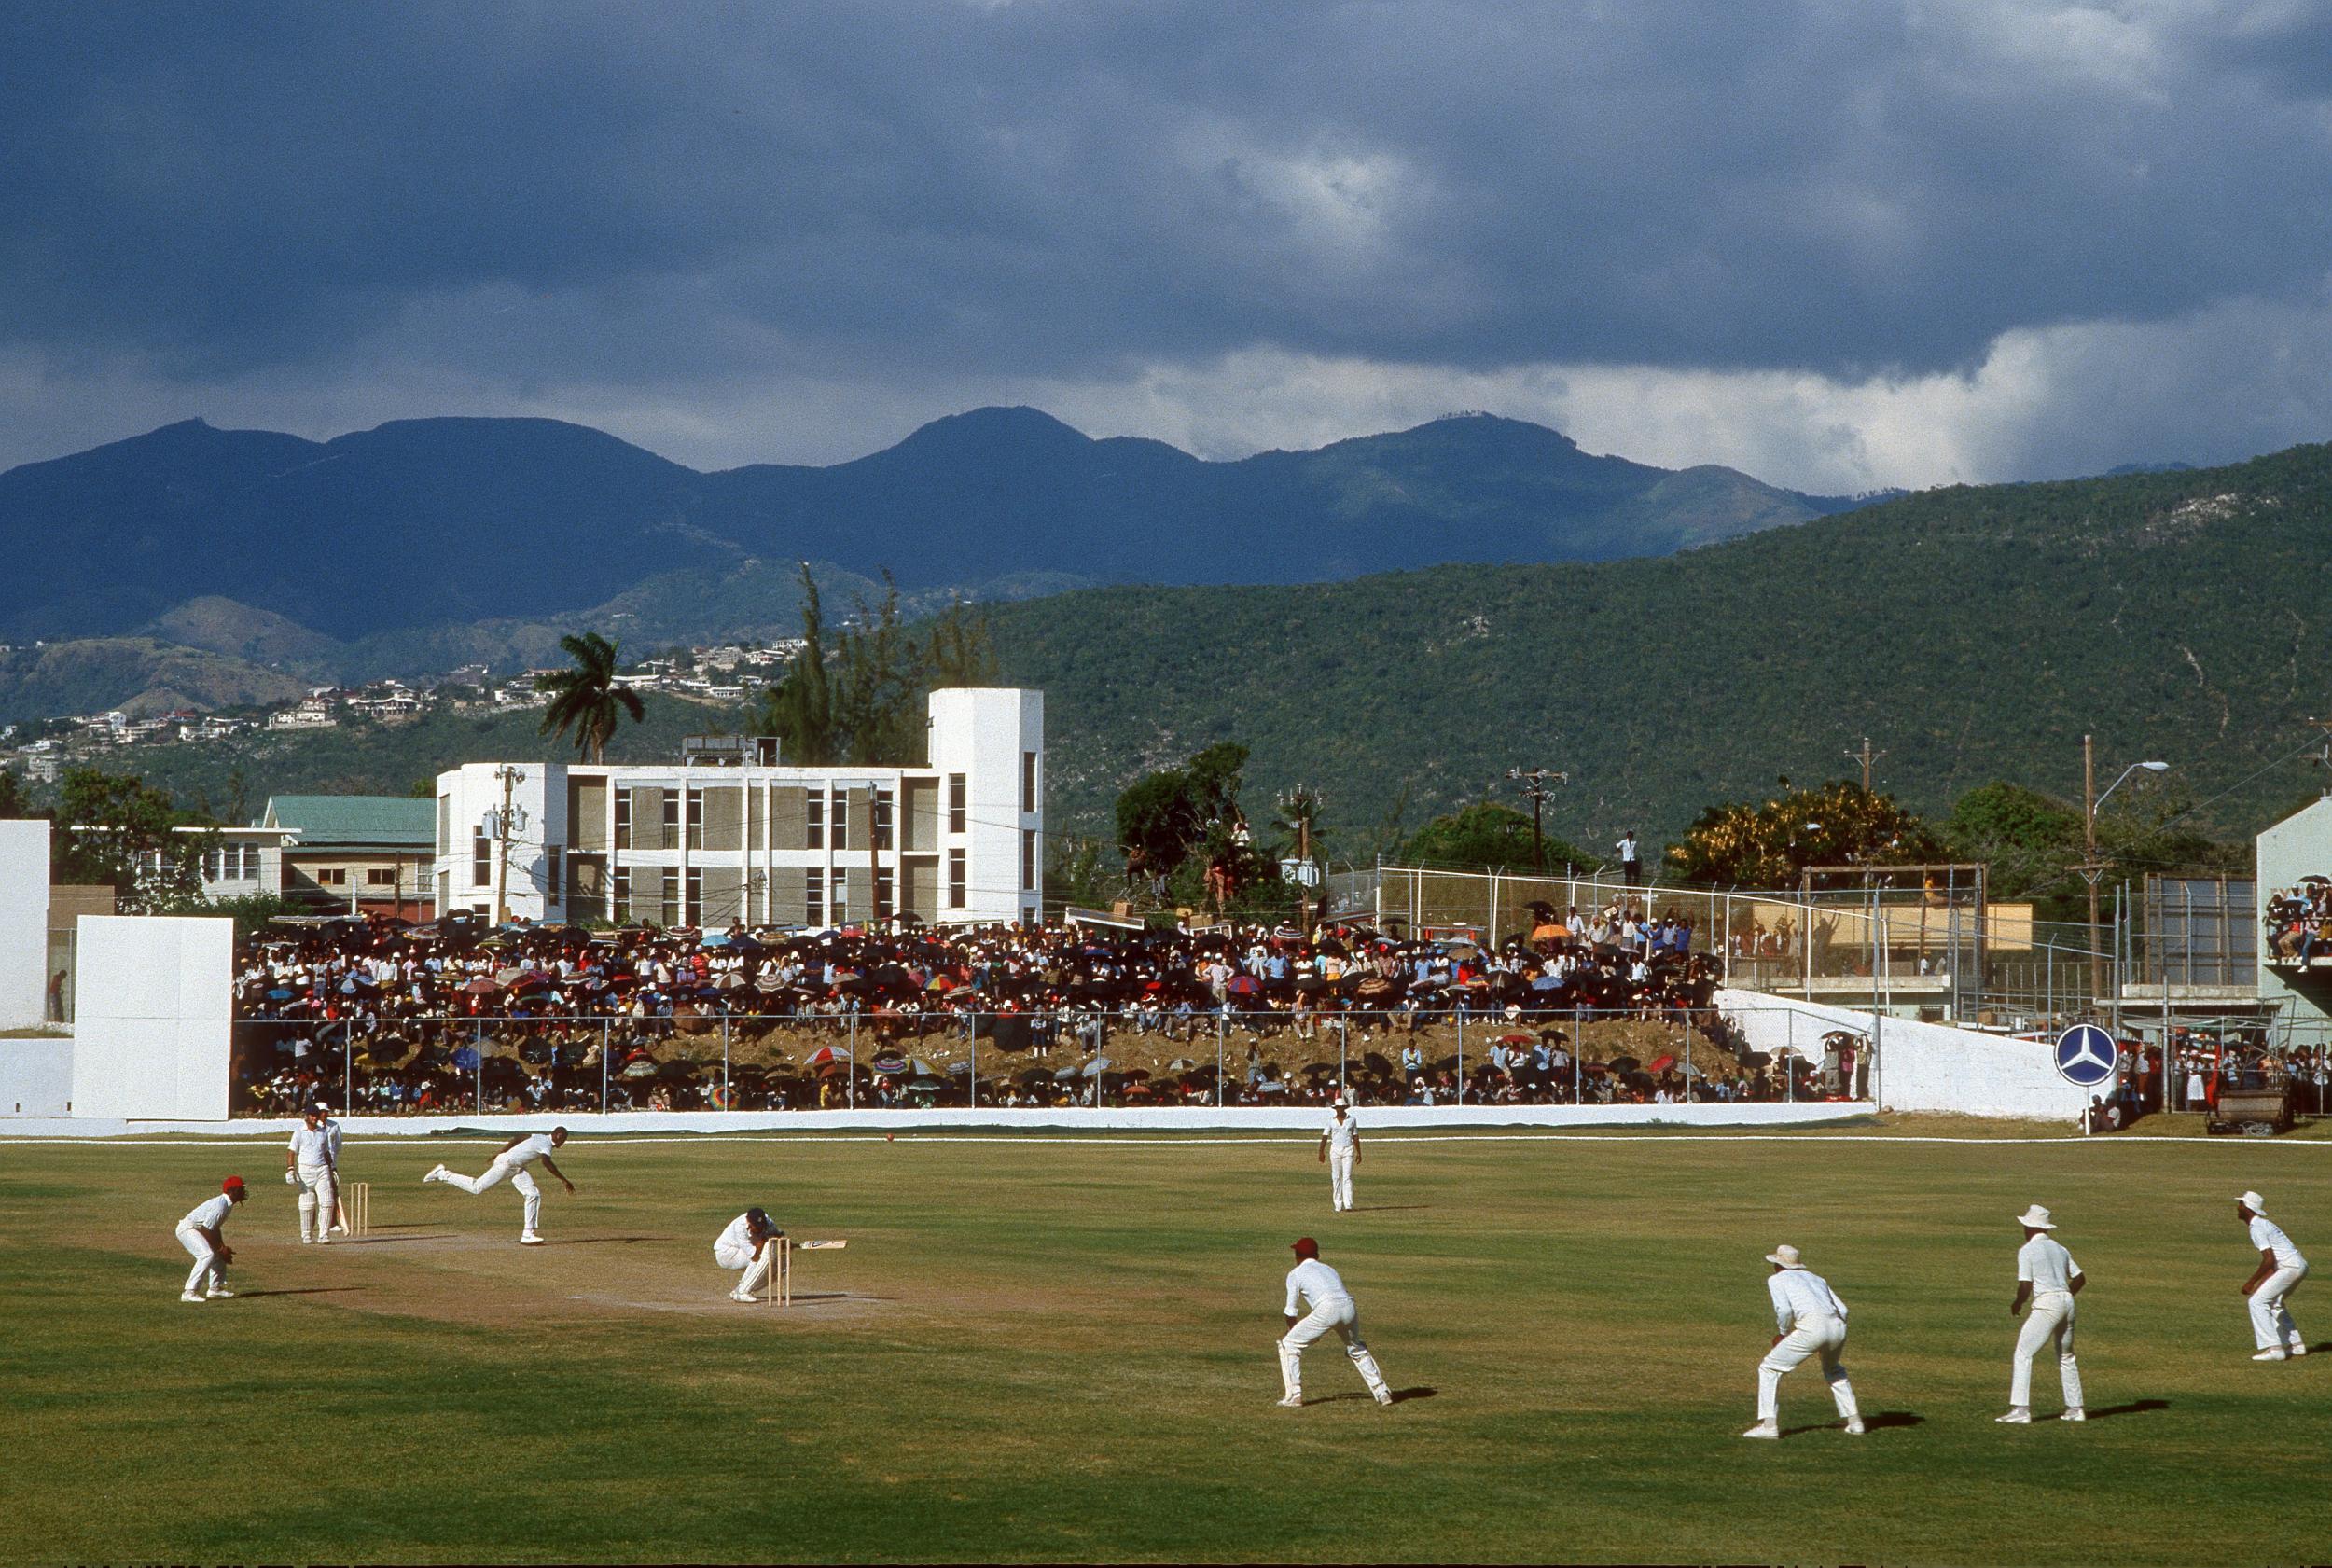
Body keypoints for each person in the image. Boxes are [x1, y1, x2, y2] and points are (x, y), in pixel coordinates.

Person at [1742, 1243, 1863, 1438]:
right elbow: (1844, 1310)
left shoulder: (1776, 1279)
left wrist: (1782, 1333)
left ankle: (1769, 1426)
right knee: (1834, 1370)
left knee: (1769, 1368)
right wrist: (1829, 1333)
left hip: (1812, 1328)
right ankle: (1856, 1422)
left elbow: (1784, 1310)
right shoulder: (1817, 1278)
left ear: (1778, 1265)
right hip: (1838, 1327)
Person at [1276, 1238, 1392, 1408]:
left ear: (1297, 1256)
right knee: (1356, 1348)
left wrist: (1292, 1331)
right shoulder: (1330, 1269)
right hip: (1348, 1306)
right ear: (1317, 1255)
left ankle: (1294, 1396)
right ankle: (1382, 1392)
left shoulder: (1296, 1273)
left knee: (1288, 1345)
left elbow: (1291, 1311)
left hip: (1327, 1308)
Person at [2001, 1204, 2085, 1423]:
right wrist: (2064, 1296)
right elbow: (2079, 1278)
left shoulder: (2027, 1250)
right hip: (2067, 1301)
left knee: (2023, 1353)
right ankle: (2076, 1409)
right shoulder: (2060, 1248)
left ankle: (2021, 1410)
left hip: (2047, 1304)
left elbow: (2025, 1287)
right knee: (2066, 1356)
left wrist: (2017, 1303)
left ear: (2029, 1228)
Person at [423, 1126, 576, 1243]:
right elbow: (546, 1162)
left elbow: (519, 1138)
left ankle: (527, 1233)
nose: (563, 1143)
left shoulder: (540, 1136)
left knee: (533, 1194)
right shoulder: (546, 1145)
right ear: (559, 1136)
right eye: (564, 1139)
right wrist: (564, 1180)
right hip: (507, 1165)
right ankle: (442, 1174)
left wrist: (500, 1152)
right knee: (476, 1187)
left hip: (515, 1167)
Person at [2236, 1190, 2309, 1361]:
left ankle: (2274, 1349)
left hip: (2289, 1267)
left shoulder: (2257, 1227)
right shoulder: (2263, 1224)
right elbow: (2272, 1264)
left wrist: (2250, 1283)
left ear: (2247, 1208)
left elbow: (2268, 1259)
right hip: (2298, 1265)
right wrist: (2261, 1284)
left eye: (2240, 1204)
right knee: (2275, 1303)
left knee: (2257, 1302)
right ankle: (2296, 1346)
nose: (2237, 1208)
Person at [175, 1176, 247, 1302]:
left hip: (198, 1229)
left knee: (217, 1254)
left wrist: (222, 1248)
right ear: (232, 1191)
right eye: (241, 1189)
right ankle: (189, 1292)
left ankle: (215, 1289)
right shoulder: (221, 1205)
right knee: (207, 1254)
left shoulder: (227, 1204)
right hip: (188, 1229)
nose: (243, 1192)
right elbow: (206, 1229)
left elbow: (214, 1228)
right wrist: (220, 1248)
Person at [284, 1103, 338, 1244]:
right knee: (307, 1205)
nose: (315, 1118)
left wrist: (332, 1168)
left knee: (327, 1202)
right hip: (305, 1171)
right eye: (312, 1115)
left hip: (322, 1170)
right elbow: (291, 1152)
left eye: (316, 1115)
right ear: (306, 1117)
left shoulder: (323, 1132)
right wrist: (290, 1169)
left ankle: (324, 1235)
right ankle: (307, 1235)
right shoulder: (299, 1132)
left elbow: (326, 1152)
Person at [715, 1206, 786, 1301]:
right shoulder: (739, 1226)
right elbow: (754, 1256)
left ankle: (739, 1290)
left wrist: (786, 1245)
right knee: (763, 1255)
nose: (757, 1229)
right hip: (726, 1253)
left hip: (743, 1252)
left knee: (782, 1264)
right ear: (748, 1221)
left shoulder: (768, 1222)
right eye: (755, 1226)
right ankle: (742, 1291)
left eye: (760, 1226)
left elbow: (780, 1243)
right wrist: (763, 1240)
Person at [1319, 1098, 1359, 1213]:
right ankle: (1338, 1204)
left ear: (1344, 1108)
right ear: (1335, 1109)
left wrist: (1359, 1152)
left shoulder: (1352, 1120)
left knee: (1347, 1177)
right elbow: (1325, 1136)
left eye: (1341, 1108)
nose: (1339, 1110)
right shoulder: (1331, 1121)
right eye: (1337, 1108)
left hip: (1348, 1149)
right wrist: (1321, 1152)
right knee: (1336, 1177)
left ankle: (1348, 1204)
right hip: (1335, 1150)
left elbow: (1355, 1136)